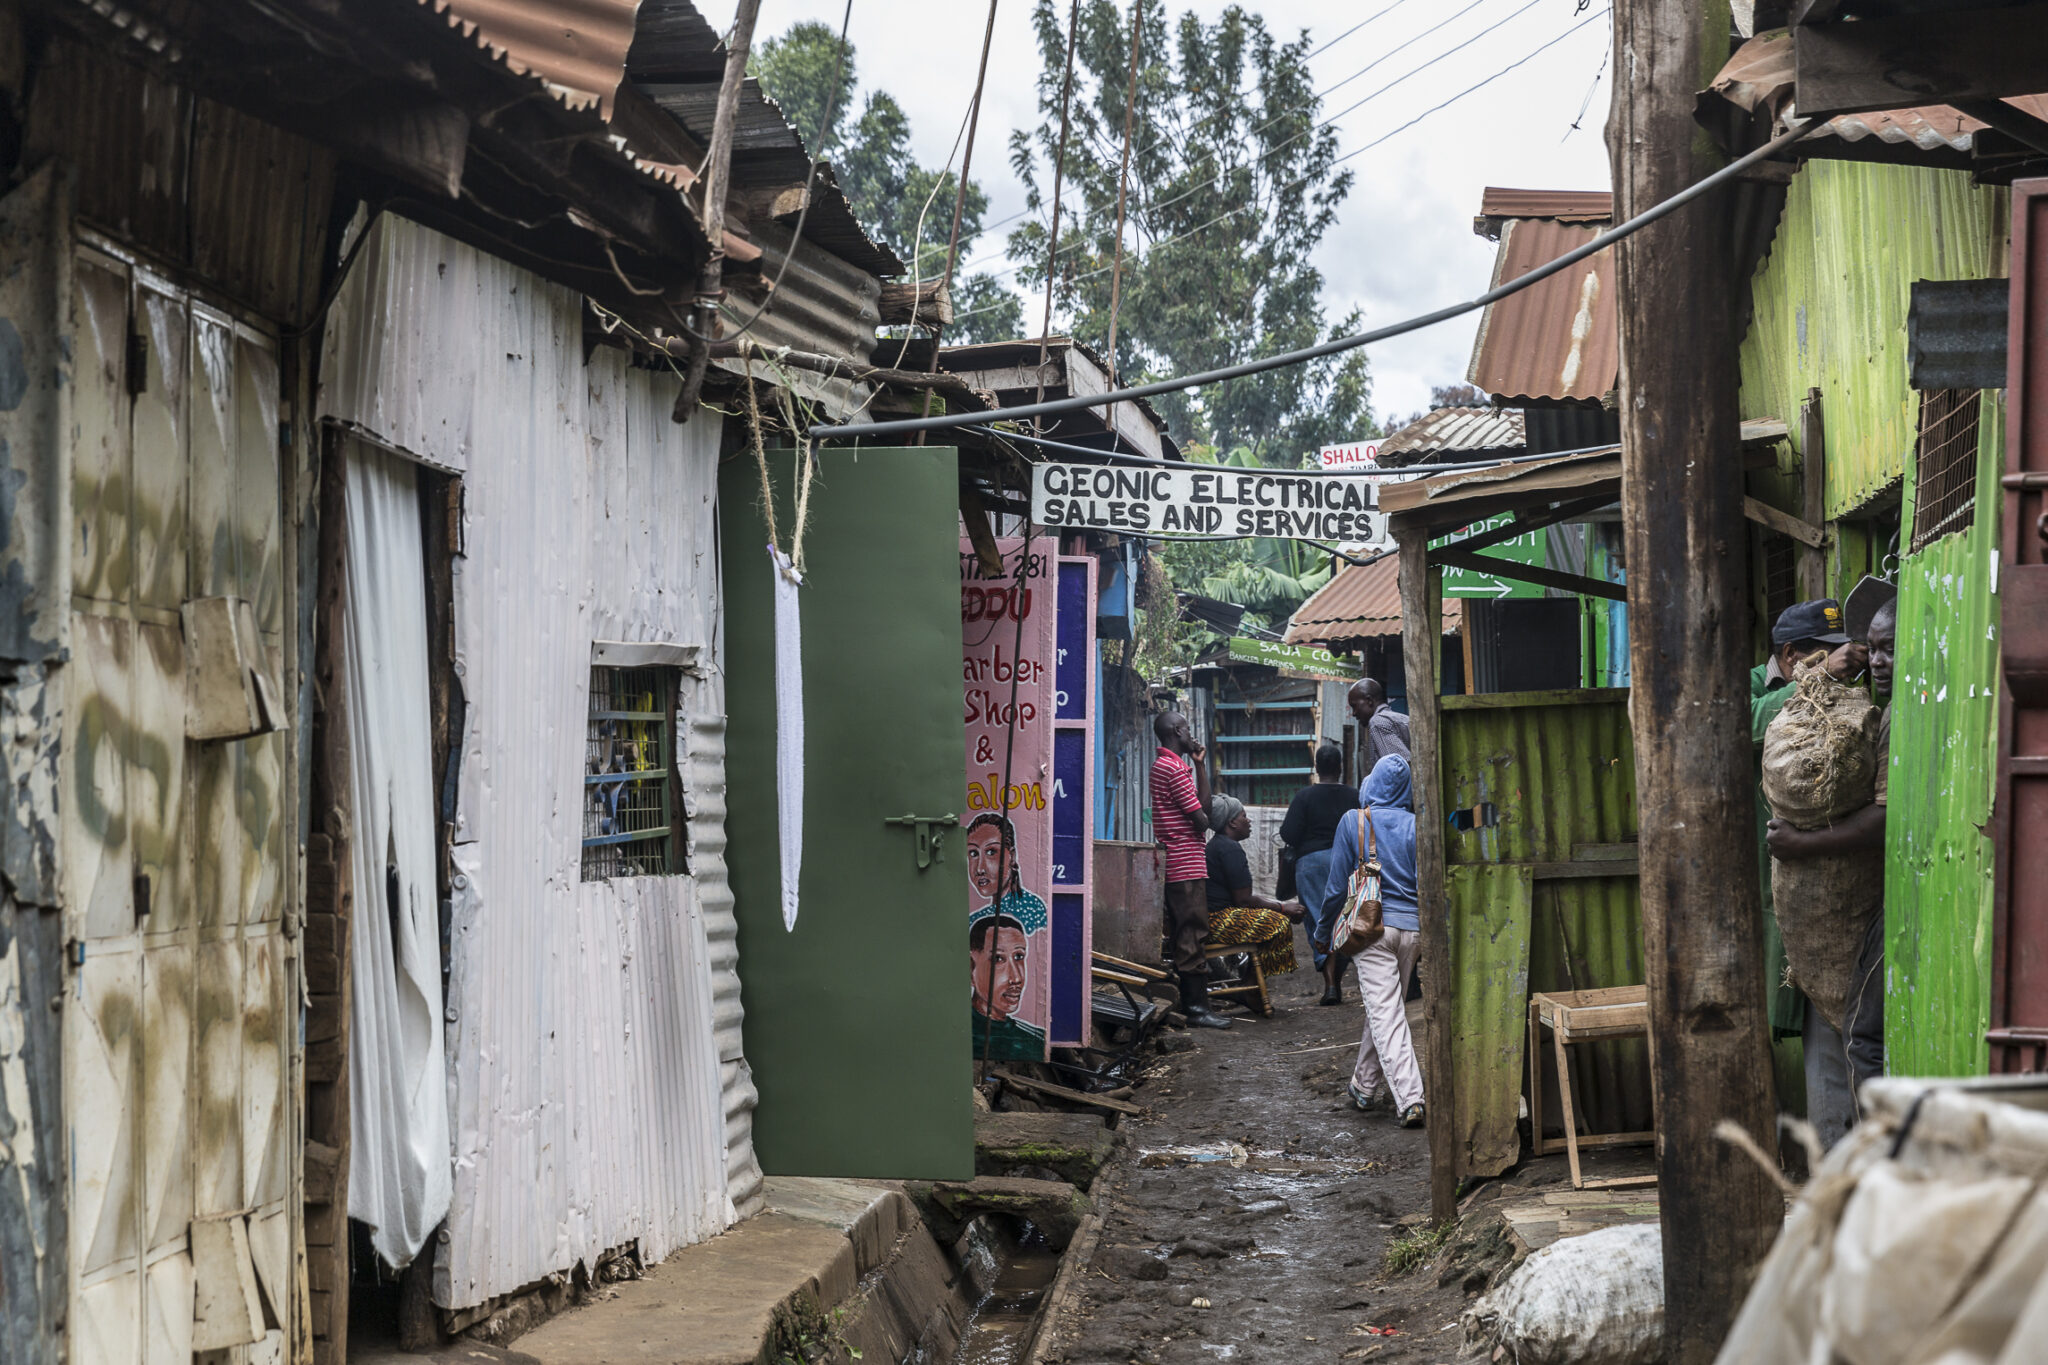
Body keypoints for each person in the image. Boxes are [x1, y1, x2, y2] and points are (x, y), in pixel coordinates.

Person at [1766, 598, 1891, 1148]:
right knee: (1820, 1029)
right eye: (1820, 656)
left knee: (1852, 1034)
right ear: (1792, 656)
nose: (1856, 667)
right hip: (1786, 910)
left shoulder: (1867, 709)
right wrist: (1814, 684)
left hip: (1845, 905)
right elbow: (1742, 719)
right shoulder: (1760, 698)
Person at [1322, 754, 1425, 1128]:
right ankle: (1364, 1087)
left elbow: (1335, 889)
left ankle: (1412, 1098)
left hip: (1370, 930)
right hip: (1412, 932)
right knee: (1385, 1008)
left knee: (1386, 1013)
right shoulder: (1418, 825)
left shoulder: (1354, 821)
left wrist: (1323, 935)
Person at [1150, 709, 1231, 1029]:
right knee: (1192, 931)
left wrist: (1197, 764)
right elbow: (1204, 817)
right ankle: (1197, 1008)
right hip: (1185, 861)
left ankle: (1196, 1004)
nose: (1191, 733)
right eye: (1186, 728)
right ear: (1176, 732)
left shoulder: (1165, 766)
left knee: (1187, 931)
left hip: (1178, 859)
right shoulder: (1172, 768)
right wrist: (1199, 767)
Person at [1280, 741, 1362, 1004]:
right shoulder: (1354, 795)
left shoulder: (1304, 797)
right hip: (1348, 862)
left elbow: (1288, 834)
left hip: (1312, 865)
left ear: (1316, 767)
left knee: (1319, 922)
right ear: (1340, 767)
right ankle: (1337, 979)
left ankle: (1329, 984)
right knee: (1346, 919)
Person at [1204, 793, 1306, 980]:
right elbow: (1243, 900)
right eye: (1243, 816)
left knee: (1276, 918)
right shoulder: (1228, 848)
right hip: (1217, 922)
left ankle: (1251, 979)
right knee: (1277, 924)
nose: (1248, 820)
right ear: (1232, 823)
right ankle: (1251, 983)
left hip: (1212, 918)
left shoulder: (1219, 845)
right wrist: (1283, 908)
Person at [970, 913, 1047, 1060]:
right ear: (970, 967)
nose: (1016, 978)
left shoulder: (1035, 1039)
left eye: (1019, 957)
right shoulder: (958, 1033)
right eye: (998, 959)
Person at [1348, 678, 1411, 795]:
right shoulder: (1401, 718)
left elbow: (1398, 770)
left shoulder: (1378, 722)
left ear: (1369, 701)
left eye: (1354, 706)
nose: (1354, 713)